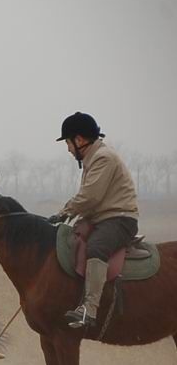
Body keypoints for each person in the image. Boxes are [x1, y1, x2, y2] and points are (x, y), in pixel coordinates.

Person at [47, 112, 139, 329]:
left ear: (79, 140)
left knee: (96, 248)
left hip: (119, 220)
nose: (68, 149)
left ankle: (90, 309)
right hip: (102, 217)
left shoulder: (103, 157)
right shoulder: (93, 158)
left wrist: (64, 212)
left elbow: (90, 196)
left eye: (68, 143)